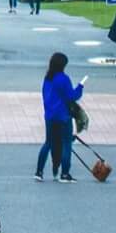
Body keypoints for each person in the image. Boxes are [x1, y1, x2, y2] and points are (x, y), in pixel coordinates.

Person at [35, 52, 85, 182]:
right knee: (66, 144)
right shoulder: (64, 79)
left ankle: (39, 171)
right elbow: (72, 96)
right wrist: (80, 87)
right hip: (63, 116)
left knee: (48, 143)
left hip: (50, 115)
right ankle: (64, 173)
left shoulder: (48, 78)